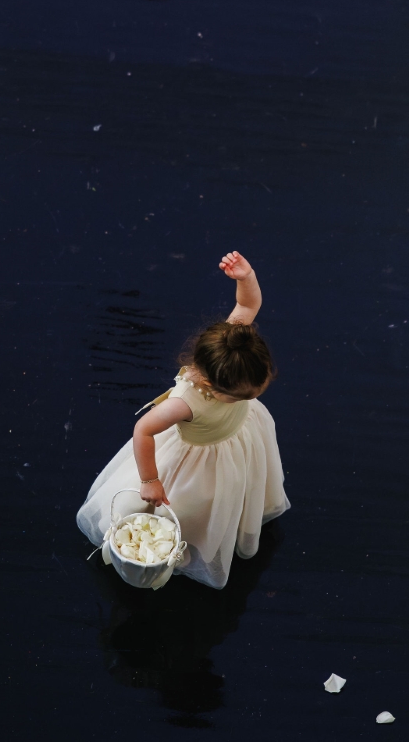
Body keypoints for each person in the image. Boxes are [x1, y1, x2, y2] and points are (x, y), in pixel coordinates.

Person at [77, 251, 290, 589]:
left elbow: (247, 307)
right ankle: (188, 537)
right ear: (208, 382)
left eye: (255, 392)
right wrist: (149, 480)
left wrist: (245, 277)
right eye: (239, 396)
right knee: (197, 503)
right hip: (199, 457)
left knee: (237, 488)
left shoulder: (235, 345)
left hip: (236, 438)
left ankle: (229, 518)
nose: (250, 399)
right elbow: (143, 429)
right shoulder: (185, 402)